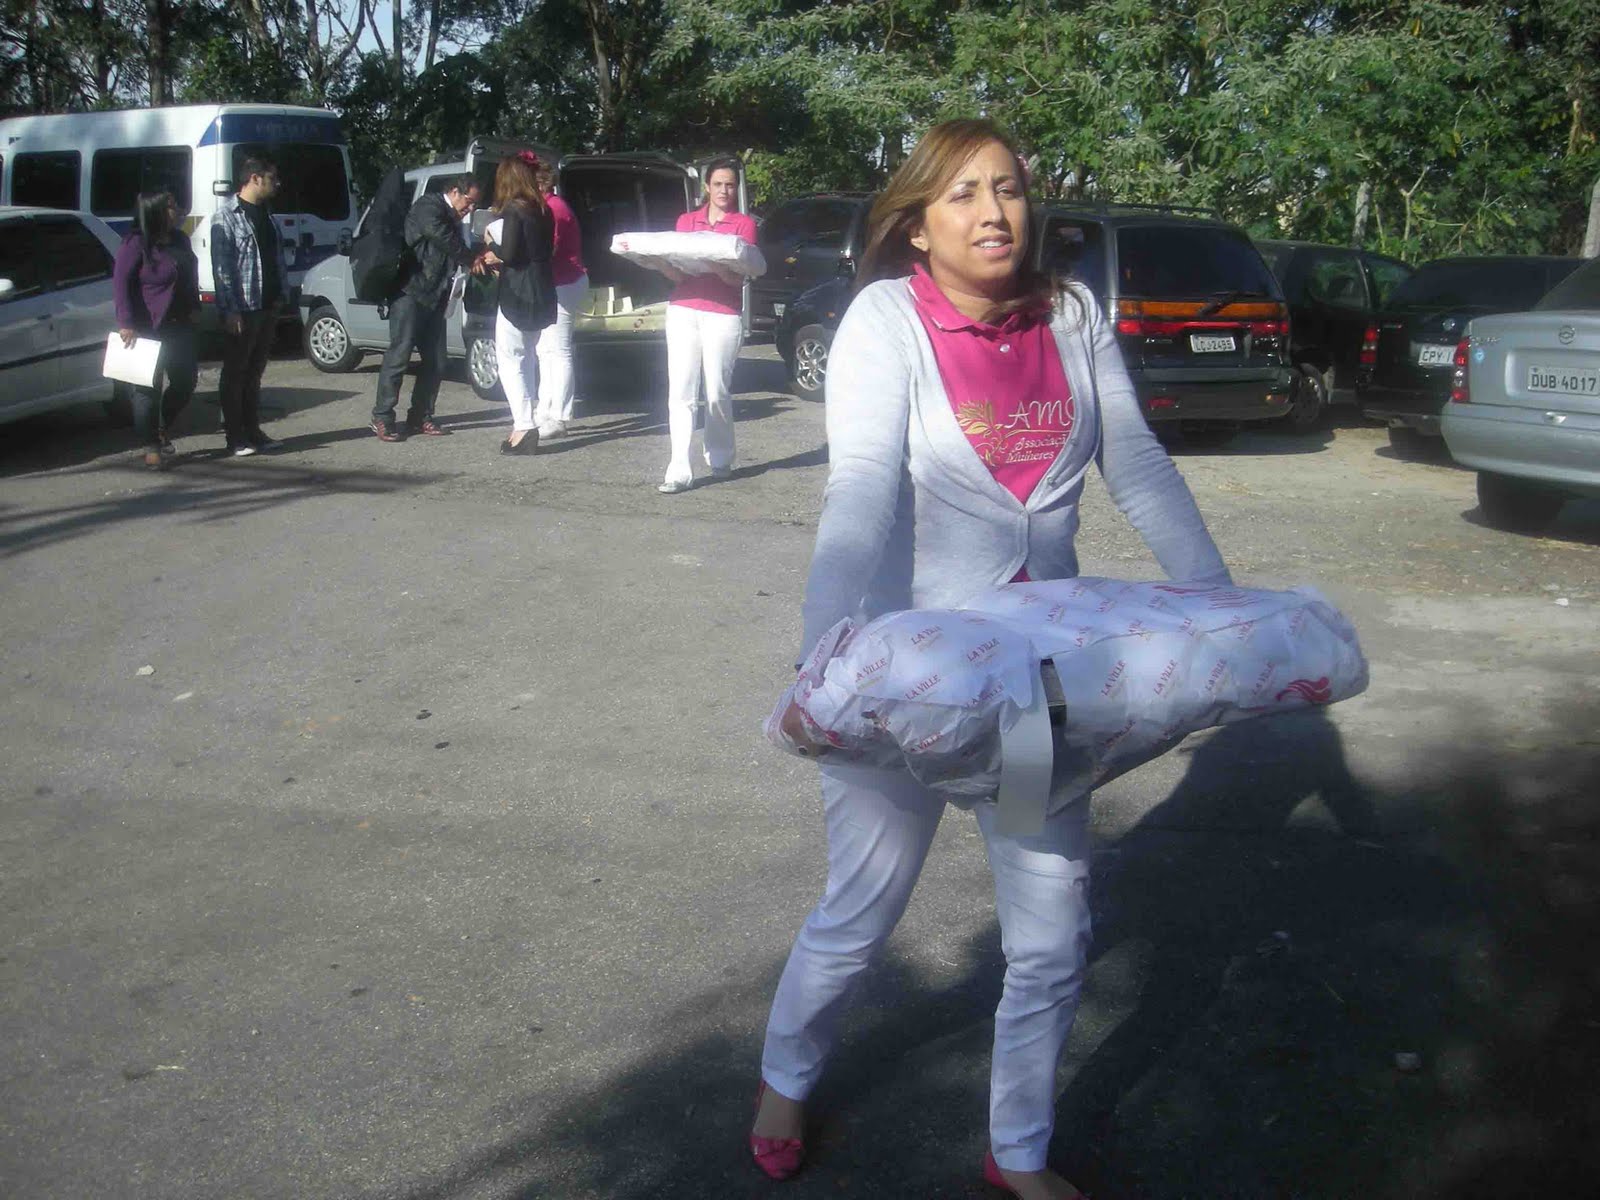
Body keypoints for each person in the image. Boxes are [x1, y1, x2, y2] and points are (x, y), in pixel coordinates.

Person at [750, 119, 1234, 1199]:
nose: (992, 211)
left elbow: (1138, 464)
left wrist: (1222, 610)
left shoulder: (1071, 314)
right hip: (897, 684)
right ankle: (785, 1079)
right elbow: (861, 489)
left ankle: (1017, 1152)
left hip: (1027, 694)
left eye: (1008, 188)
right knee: (861, 911)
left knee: (1052, 934)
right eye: (962, 193)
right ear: (917, 225)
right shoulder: (886, 319)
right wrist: (821, 656)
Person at [654, 157, 756, 494]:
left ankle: (720, 456)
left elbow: (738, 279)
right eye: (718, 184)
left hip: (722, 313)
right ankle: (678, 469)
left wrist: (714, 264)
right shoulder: (687, 221)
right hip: (683, 309)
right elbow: (679, 274)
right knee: (680, 390)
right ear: (707, 187)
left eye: (730, 185)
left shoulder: (743, 225)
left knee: (716, 391)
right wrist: (658, 263)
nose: (724, 190)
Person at [370, 173, 487, 442]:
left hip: (436, 295)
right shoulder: (429, 206)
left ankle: (420, 416)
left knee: (436, 361)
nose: (470, 209)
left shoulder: (453, 218)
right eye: (469, 202)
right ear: (454, 192)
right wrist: (470, 258)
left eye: (474, 205)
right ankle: (382, 416)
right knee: (399, 356)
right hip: (410, 293)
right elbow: (440, 236)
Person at [112, 190, 199, 469]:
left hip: (179, 324)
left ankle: (162, 427)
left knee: (185, 382)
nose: (178, 210)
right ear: (155, 211)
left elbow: (190, 274)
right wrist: (126, 323)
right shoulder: (136, 243)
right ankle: (151, 445)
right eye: (171, 207)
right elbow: (121, 284)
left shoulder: (180, 239)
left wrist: (194, 305)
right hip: (146, 327)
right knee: (146, 390)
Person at [211, 157, 290, 457]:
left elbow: (275, 259)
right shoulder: (226, 217)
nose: (277, 183)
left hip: (268, 304)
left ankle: (253, 430)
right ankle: (235, 436)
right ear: (255, 178)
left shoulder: (267, 215)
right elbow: (222, 269)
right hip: (243, 308)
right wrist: (229, 310)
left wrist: (281, 295)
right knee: (236, 372)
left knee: (255, 372)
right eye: (272, 177)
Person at [487, 152, 556, 455]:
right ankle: (523, 424)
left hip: (518, 291)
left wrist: (491, 242)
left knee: (510, 360)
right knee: (527, 358)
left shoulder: (514, 210)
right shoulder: (544, 209)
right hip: (543, 287)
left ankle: (524, 425)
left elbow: (510, 254)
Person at [532, 159, 589, 440]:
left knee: (559, 349)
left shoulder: (554, 209)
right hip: (557, 282)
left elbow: (547, 250)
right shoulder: (548, 207)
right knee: (545, 349)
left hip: (565, 282)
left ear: (540, 184)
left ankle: (559, 416)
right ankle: (545, 409)